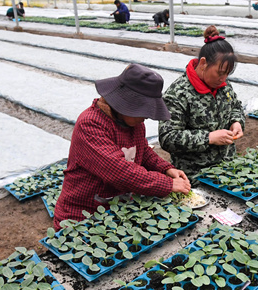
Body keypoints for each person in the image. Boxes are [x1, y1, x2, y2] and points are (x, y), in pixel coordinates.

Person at [54, 64, 190, 224]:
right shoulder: (90, 124)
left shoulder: (134, 123)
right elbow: (119, 171)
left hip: (117, 211)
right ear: (125, 103)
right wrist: (167, 184)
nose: (146, 117)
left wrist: (167, 168)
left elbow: (143, 151)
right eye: (144, 111)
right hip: (82, 217)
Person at [159, 26, 245, 176]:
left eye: (227, 74)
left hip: (227, 167)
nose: (223, 79)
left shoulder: (223, 86)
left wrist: (236, 121)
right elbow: (167, 137)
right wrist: (209, 138)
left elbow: (236, 106)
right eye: (220, 73)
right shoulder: (179, 93)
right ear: (204, 63)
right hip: (196, 174)